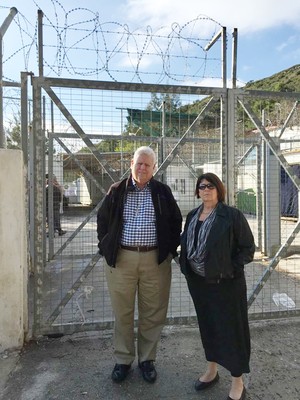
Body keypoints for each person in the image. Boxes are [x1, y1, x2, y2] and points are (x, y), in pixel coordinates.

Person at [97, 146, 182, 384]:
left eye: (147, 164)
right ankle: (123, 360)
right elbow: (102, 220)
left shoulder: (162, 192)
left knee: (153, 312)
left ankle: (147, 360)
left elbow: (176, 221)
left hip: (155, 260)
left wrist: (168, 250)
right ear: (131, 164)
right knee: (122, 312)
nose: (142, 167)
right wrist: (105, 248)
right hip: (121, 260)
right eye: (139, 163)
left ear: (154, 168)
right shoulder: (116, 190)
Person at [179, 172, 255, 400]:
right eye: (202, 186)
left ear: (218, 189)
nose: (206, 189)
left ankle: (237, 380)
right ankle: (211, 371)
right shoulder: (193, 215)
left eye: (211, 186)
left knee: (232, 331)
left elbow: (247, 249)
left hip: (226, 285)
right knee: (208, 326)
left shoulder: (231, 216)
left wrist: (229, 269)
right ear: (197, 191)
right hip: (199, 283)